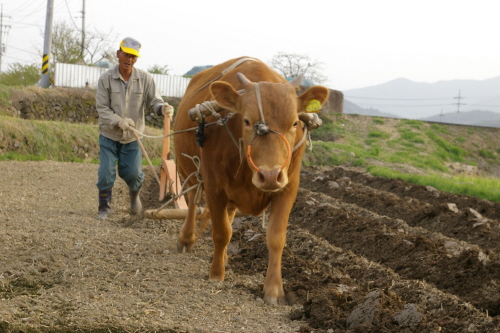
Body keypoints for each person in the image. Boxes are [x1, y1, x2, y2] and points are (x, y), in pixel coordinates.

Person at [95, 37, 174, 219]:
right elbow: (102, 108)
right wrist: (118, 121)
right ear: (118, 54)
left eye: (133, 56)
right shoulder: (105, 79)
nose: (129, 59)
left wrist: (162, 108)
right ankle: (104, 207)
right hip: (109, 135)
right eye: (126, 54)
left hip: (133, 137)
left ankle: (134, 198)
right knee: (106, 172)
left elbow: (154, 101)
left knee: (132, 173)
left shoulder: (145, 79)